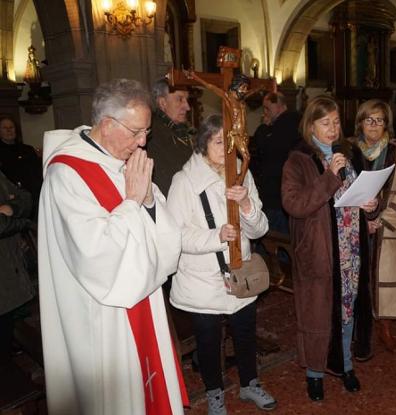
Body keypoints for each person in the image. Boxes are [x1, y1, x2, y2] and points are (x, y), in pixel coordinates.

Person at [38, 79, 188, 415]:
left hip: (143, 301)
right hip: (103, 316)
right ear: (107, 125)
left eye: (146, 131)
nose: (143, 142)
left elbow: (164, 240)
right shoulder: (67, 176)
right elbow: (96, 256)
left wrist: (148, 201)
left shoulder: (122, 160)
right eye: (136, 132)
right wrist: (133, 202)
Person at [166, 114, 276, 414]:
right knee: (208, 340)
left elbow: (260, 229)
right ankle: (215, 392)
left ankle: (249, 383)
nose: (227, 149)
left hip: (240, 274)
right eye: (219, 142)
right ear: (203, 144)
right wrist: (217, 237)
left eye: (231, 142)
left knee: (245, 332)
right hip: (202, 279)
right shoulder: (184, 181)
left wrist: (246, 206)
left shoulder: (241, 172)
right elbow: (175, 236)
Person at [281, 95, 376, 401]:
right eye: (326, 123)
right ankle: (315, 373)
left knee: (347, 308)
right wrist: (328, 178)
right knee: (317, 314)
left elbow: (360, 193)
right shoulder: (298, 159)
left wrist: (370, 204)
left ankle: (346, 365)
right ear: (310, 126)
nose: (333, 129)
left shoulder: (348, 154)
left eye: (336, 122)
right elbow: (294, 204)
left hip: (350, 245)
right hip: (319, 250)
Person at [351, 99, 396, 351]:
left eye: (379, 120)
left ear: (387, 123)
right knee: (357, 280)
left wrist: (381, 220)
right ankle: (358, 328)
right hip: (355, 227)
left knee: (383, 281)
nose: (374, 125)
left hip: (386, 229)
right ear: (360, 123)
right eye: (369, 120)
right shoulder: (350, 150)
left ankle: (384, 328)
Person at [251, 92, 301, 234]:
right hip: (284, 191)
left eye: (267, 108)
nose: (265, 113)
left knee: (275, 235)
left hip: (276, 192)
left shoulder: (285, 124)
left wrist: (264, 127)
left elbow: (265, 147)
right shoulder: (293, 121)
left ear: (279, 106)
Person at [0, 170, 34, 369]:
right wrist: (23, 221)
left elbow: (26, 198)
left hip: (8, 271)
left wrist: (10, 208)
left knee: (6, 328)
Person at [147, 78, 193, 196]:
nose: (187, 107)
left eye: (187, 100)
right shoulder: (150, 136)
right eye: (180, 99)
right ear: (162, 103)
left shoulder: (187, 131)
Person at [0, 114, 43, 216]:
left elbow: (37, 172)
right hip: (13, 200)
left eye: (11, 127)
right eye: (5, 128)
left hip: (34, 196)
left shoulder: (27, 149)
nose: (9, 130)